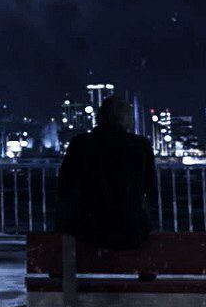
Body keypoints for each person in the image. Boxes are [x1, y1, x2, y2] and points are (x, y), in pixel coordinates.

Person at [55, 95, 157, 250]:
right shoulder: (140, 145)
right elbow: (149, 184)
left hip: (86, 229)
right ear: (128, 119)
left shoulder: (80, 143)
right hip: (129, 230)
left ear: (100, 116)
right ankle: (146, 272)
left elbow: (64, 185)